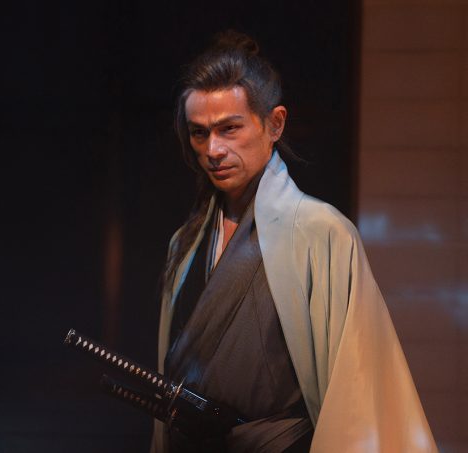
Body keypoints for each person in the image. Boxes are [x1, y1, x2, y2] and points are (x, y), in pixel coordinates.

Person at [151, 31, 437, 453]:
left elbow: (354, 388)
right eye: (199, 133)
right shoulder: (186, 243)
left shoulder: (322, 232)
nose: (213, 149)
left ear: (274, 124)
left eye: (229, 128)